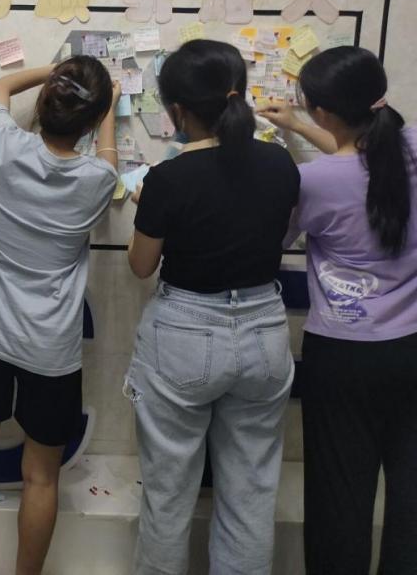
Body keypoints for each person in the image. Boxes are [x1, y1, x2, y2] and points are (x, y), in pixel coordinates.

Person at [0, 56, 121, 575]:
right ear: (92, 120)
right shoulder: (97, 180)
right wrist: (107, 104)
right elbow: (108, 154)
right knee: (42, 476)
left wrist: (52, 70)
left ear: (43, 103)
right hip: (50, 346)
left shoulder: (3, 146)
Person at [125, 39, 300, 575]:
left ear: (178, 111)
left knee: (168, 494)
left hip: (185, 335)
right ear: (237, 95)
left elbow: (141, 265)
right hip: (265, 332)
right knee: (250, 494)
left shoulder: (167, 178)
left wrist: (148, 207)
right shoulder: (280, 164)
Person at [259, 47, 417, 575]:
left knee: (339, 503)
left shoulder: (314, 182)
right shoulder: (410, 146)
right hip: (412, 351)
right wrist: (302, 126)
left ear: (324, 112)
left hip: (344, 358)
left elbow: (274, 242)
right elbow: (370, 156)